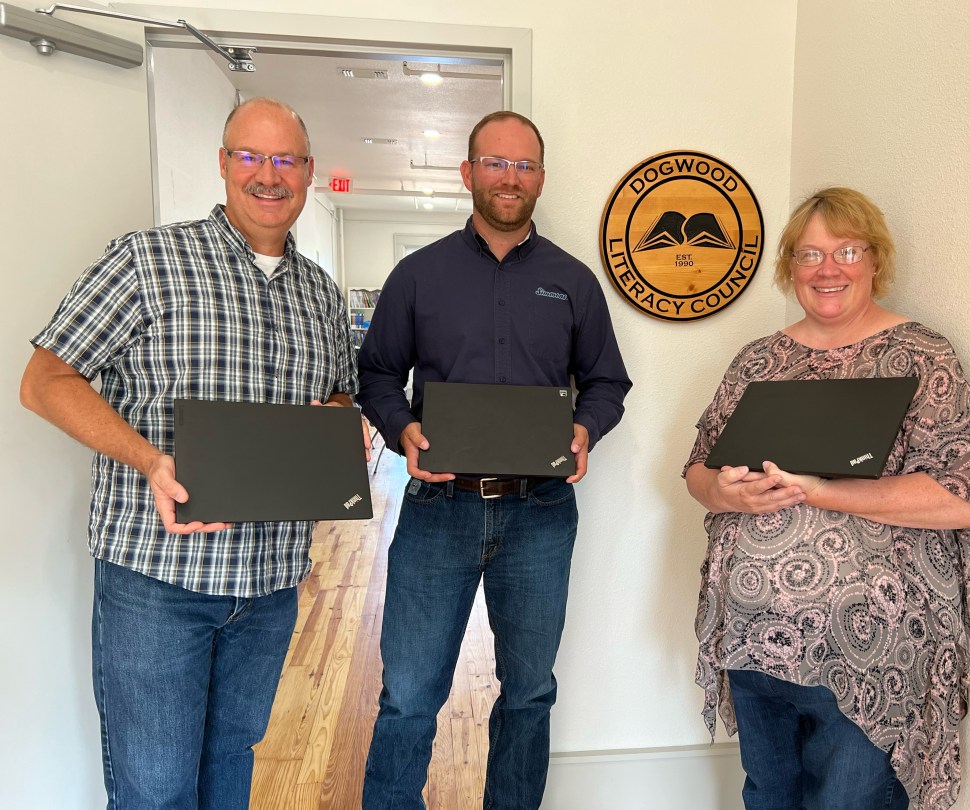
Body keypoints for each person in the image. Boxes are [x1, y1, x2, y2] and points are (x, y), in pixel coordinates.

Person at [20, 98, 361, 809]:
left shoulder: (322, 296)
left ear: (308, 173)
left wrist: (337, 425)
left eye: (286, 160)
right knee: (156, 791)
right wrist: (149, 459)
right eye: (250, 156)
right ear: (223, 164)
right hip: (158, 583)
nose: (269, 175)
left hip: (269, 581)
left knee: (229, 770)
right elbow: (45, 381)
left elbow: (336, 398)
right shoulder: (146, 261)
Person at [683, 187, 970, 810]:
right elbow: (697, 472)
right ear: (789, 268)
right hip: (754, 637)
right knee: (770, 797)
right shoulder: (760, 361)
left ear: (876, 261)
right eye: (809, 255)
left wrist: (828, 492)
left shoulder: (921, 358)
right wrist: (721, 491)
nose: (827, 269)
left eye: (846, 250)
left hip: (871, 651)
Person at [357, 110, 632, 809]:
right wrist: (401, 430)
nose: (510, 177)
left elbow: (607, 383)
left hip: (540, 516)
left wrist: (585, 429)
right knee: (409, 694)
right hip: (437, 511)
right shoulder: (418, 275)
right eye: (496, 163)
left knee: (530, 692)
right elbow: (378, 376)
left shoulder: (573, 281)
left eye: (524, 165)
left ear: (540, 177)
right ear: (468, 172)